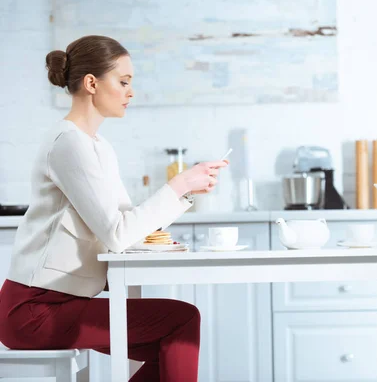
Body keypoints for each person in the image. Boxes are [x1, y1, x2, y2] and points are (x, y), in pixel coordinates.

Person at [0, 35, 228, 382]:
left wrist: (185, 190)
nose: (130, 92)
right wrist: (180, 184)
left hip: (62, 303)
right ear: (91, 83)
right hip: (35, 311)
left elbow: (126, 225)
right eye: (123, 82)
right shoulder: (68, 143)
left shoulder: (98, 146)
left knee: (172, 340)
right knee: (181, 320)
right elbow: (119, 234)